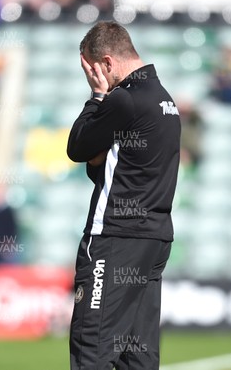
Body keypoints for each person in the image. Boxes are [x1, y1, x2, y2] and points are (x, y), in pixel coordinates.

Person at [67, 21, 181, 370]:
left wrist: (96, 97)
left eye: (91, 70)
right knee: (137, 355)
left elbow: (77, 147)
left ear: (106, 62)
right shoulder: (164, 100)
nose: (93, 77)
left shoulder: (124, 99)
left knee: (93, 347)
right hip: (154, 240)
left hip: (116, 238)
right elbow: (109, 165)